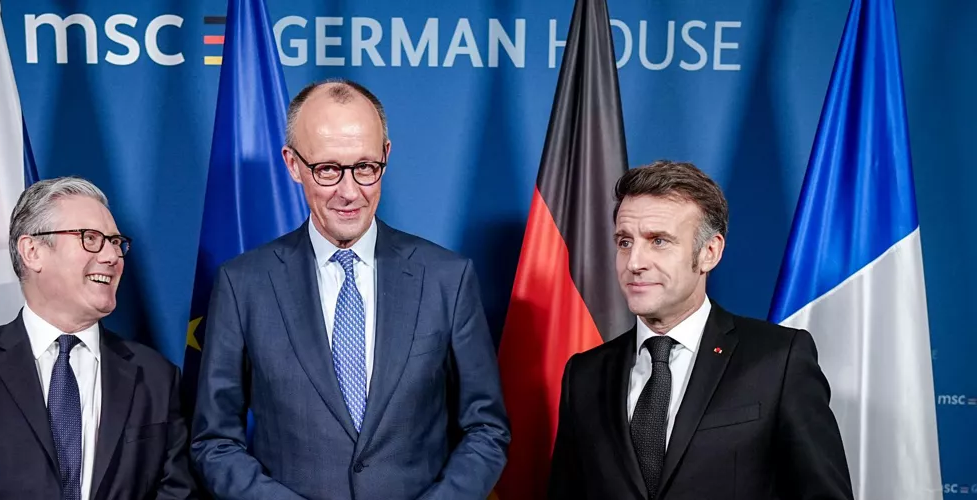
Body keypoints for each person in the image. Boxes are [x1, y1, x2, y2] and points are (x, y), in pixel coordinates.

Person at [191, 79, 510, 500]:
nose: (349, 191)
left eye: (365, 167)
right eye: (327, 169)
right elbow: (214, 441)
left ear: (386, 157)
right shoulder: (243, 283)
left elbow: (486, 429)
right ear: (292, 164)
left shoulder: (446, 278)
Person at [548, 161, 853, 500]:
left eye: (658, 241)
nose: (634, 262)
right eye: (624, 242)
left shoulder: (778, 359)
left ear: (709, 252)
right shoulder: (585, 374)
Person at [0, 176, 199, 499]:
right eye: (91, 238)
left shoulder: (157, 378)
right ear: (32, 251)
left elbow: (177, 493)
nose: (112, 256)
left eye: (116, 242)